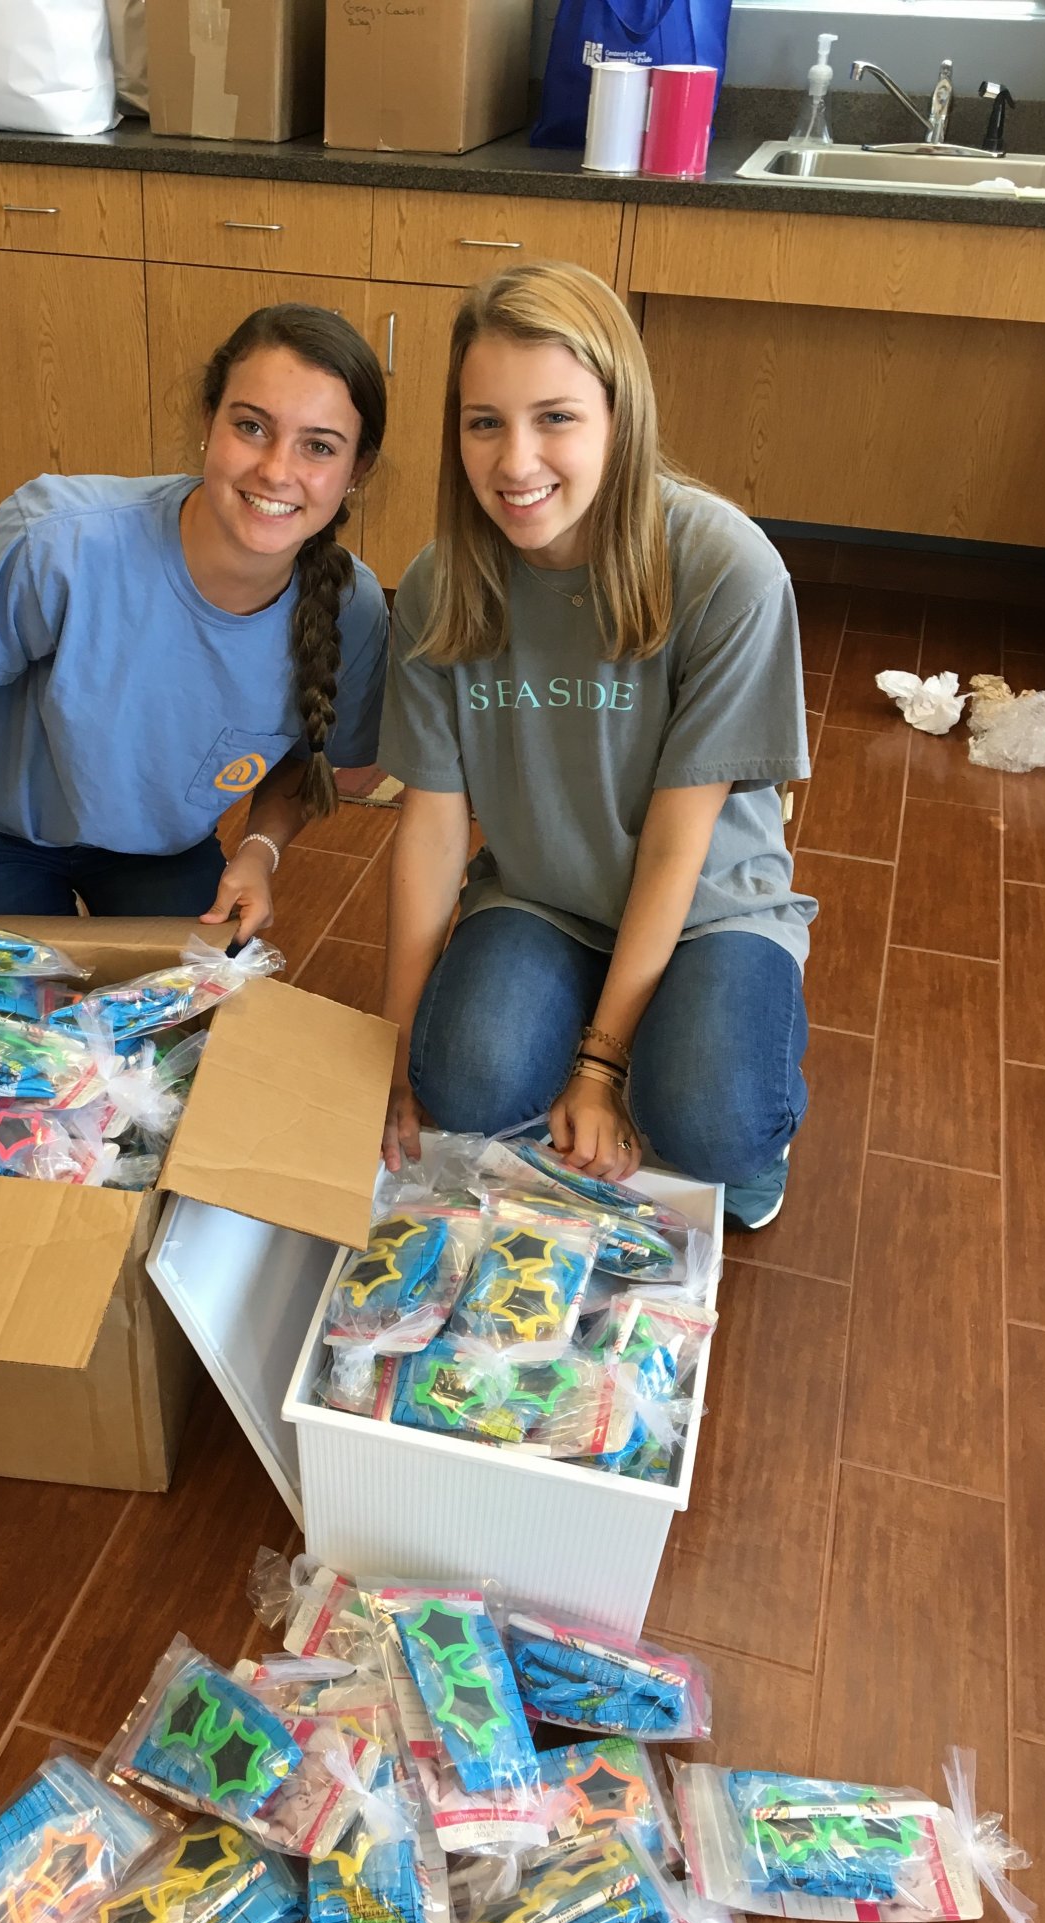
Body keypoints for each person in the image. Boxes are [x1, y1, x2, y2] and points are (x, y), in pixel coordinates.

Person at [379, 263, 815, 1230]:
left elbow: (676, 844)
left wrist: (601, 1063)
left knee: (714, 1122)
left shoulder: (726, 569)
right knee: (461, 1080)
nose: (515, 461)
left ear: (622, 418)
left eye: (556, 418)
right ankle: (589, 1029)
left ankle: (676, 1058)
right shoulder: (440, 585)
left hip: (706, 904)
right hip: (543, 896)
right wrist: (392, 1051)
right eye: (484, 422)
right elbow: (433, 831)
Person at [0, 305, 389, 941]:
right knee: (9, 995)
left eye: (319, 446)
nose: (276, 470)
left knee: (195, 995)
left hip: (158, 849)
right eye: (251, 426)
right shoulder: (59, 540)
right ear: (208, 421)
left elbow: (304, 758)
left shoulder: (353, 608)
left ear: (357, 471)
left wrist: (259, 851)